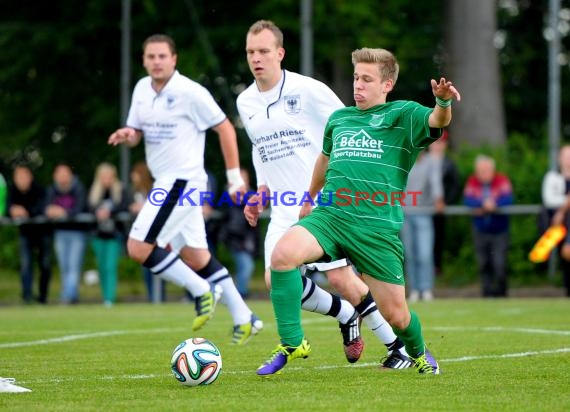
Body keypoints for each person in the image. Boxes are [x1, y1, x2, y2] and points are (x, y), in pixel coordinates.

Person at [255, 47, 461, 376]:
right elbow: (324, 160)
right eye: (355, 78)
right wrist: (309, 197)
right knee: (282, 256)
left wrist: (443, 101)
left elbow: (438, 120)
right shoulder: (340, 119)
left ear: (387, 84)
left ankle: (419, 352)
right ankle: (293, 343)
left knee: (397, 316)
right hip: (331, 217)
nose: (358, 86)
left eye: (367, 79)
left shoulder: (403, 115)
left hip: (375, 228)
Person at [238, 21, 412, 370]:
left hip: (321, 202)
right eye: (250, 52)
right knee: (276, 278)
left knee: (343, 280)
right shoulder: (245, 101)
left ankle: (399, 349)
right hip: (284, 207)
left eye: (263, 51)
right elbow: (260, 148)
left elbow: (350, 124)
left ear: (280, 53)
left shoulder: (308, 90)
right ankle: (342, 317)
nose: (256, 58)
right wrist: (261, 189)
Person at [108, 33, 262, 344]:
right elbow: (138, 132)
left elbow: (225, 127)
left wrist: (234, 177)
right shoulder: (141, 89)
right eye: (151, 57)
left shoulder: (190, 92)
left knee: (138, 247)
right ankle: (244, 316)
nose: (156, 62)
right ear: (144, 60)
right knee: (196, 255)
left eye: (162, 56)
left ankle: (201, 289)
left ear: (174, 59)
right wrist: (129, 134)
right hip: (169, 181)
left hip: (182, 181)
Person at [464, 155, 514, 298]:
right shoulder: (472, 182)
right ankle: (486, 293)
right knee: (483, 262)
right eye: (480, 170)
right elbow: (468, 200)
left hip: (499, 230)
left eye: (486, 170)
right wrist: (483, 205)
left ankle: (501, 292)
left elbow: (508, 198)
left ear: (492, 169)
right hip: (480, 229)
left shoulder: (502, 180)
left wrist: (494, 205)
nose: (483, 173)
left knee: (499, 262)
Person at [401, 150, 444, 302]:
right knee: (410, 254)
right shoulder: (404, 159)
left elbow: (435, 181)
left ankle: (426, 288)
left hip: (424, 212)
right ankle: (413, 289)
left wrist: (438, 197)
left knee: (425, 254)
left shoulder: (431, 161)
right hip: (405, 213)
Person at [7, 165, 53, 304]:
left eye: (23, 176)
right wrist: (12, 210)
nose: (21, 180)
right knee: (26, 264)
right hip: (25, 233)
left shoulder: (39, 190)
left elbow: (43, 208)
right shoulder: (13, 192)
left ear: (30, 177)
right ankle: (27, 296)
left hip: (43, 233)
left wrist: (26, 212)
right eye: (18, 177)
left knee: (44, 264)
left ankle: (43, 297)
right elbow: (7, 208)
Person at [45, 162, 88, 304]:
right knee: (64, 266)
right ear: (55, 176)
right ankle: (68, 294)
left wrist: (63, 212)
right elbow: (45, 208)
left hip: (77, 233)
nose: (62, 176)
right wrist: (49, 211)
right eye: (59, 173)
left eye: (65, 173)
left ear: (71, 175)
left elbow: (80, 208)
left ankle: (69, 296)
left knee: (74, 265)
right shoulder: (52, 189)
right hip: (60, 232)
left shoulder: (78, 188)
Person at [88, 162, 129, 306]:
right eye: (103, 177)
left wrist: (109, 212)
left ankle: (110, 298)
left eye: (109, 176)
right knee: (101, 267)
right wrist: (97, 212)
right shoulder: (94, 192)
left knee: (110, 266)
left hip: (114, 235)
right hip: (98, 235)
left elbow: (125, 205)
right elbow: (89, 207)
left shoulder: (120, 190)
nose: (106, 179)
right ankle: (105, 296)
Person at [217, 167, 259, 298]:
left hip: (248, 240)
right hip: (234, 239)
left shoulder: (252, 196)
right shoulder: (228, 197)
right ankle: (240, 294)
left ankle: (238, 293)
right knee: (246, 266)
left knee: (245, 266)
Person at [129, 161, 166, 302]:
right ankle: (152, 297)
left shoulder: (155, 190)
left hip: (156, 235)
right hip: (140, 235)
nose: (132, 176)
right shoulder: (132, 191)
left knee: (158, 268)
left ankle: (159, 297)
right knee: (146, 269)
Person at [429, 130, 462, 275]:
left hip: (438, 211)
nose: (437, 145)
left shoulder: (449, 165)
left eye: (441, 142)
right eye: (435, 142)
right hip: (419, 208)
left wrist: (445, 202)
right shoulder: (419, 161)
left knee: (437, 240)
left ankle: (436, 268)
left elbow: (455, 186)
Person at [540, 145, 570, 296]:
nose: (568, 160)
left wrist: (562, 209)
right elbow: (549, 200)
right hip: (556, 225)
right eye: (566, 156)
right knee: (561, 256)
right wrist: (565, 206)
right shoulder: (552, 177)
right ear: (559, 159)